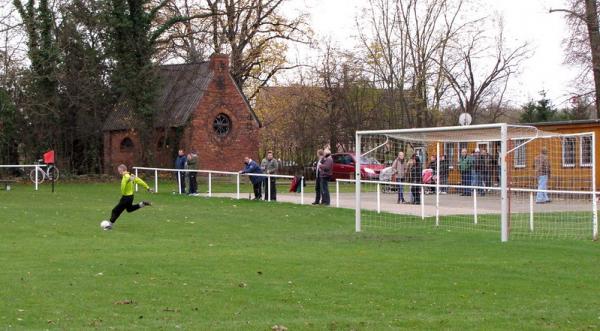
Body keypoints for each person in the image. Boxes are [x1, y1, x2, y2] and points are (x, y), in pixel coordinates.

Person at [105, 164, 153, 230]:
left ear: (122, 170)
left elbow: (126, 181)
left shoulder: (126, 176)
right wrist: (147, 188)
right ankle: (142, 204)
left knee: (115, 211)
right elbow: (139, 181)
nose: (119, 172)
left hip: (126, 198)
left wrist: (129, 180)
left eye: (119, 170)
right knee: (129, 209)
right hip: (130, 197)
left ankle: (109, 226)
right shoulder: (130, 175)